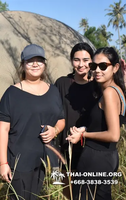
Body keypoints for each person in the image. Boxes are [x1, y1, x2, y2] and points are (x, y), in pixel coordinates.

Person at [0, 44, 65, 200]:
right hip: (20, 162)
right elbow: (3, 130)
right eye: (30, 60)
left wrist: (55, 130)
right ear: (23, 64)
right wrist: (3, 163)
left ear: (45, 64)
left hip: (45, 163)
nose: (35, 64)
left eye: (39, 60)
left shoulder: (53, 91)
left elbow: (61, 120)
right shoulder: (12, 93)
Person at [67, 47, 126, 200]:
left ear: (115, 67)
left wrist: (83, 134)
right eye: (93, 66)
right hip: (108, 157)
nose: (97, 70)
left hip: (96, 158)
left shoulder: (109, 93)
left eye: (103, 66)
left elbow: (114, 135)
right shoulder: (118, 90)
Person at [54, 43, 96, 197]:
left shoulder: (97, 86)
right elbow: (53, 111)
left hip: (90, 147)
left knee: (88, 193)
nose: (81, 64)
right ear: (71, 61)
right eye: (76, 60)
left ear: (92, 61)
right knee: (67, 193)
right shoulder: (62, 83)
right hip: (65, 147)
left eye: (86, 60)